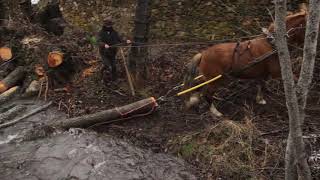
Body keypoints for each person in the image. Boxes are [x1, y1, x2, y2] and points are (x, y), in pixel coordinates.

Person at [97, 18, 131, 82]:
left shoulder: (114, 32)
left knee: (114, 66)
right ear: (105, 25)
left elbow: (120, 39)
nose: (109, 26)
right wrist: (104, 45)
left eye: (110, 25)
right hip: (104, 53)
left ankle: (114, 79)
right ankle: (103, 78)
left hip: (112, 52)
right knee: (108, 65)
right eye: (108, 25)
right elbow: (98, 41)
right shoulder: (101, 33)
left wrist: (126, 41)